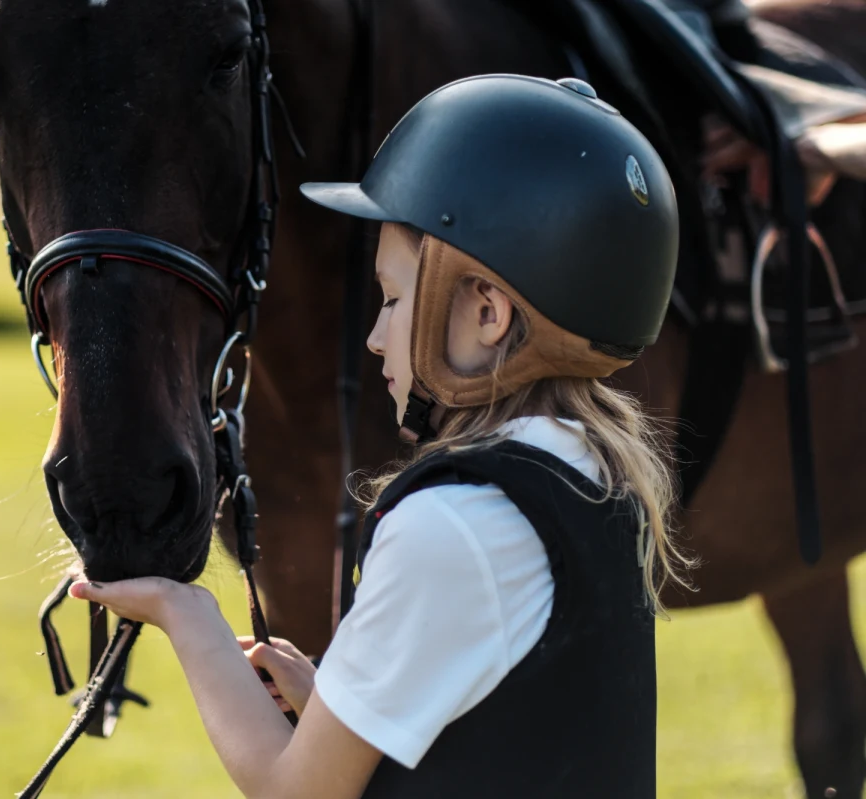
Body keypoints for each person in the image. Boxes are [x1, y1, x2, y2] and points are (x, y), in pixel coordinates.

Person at [66, 73, 692, 798]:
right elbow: (513, 730)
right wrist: (336, 698)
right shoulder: (591, 473)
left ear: (487, 313)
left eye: (393, 299)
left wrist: (187, 611)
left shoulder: (455, 522)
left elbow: (291, 789)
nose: (373, 336)